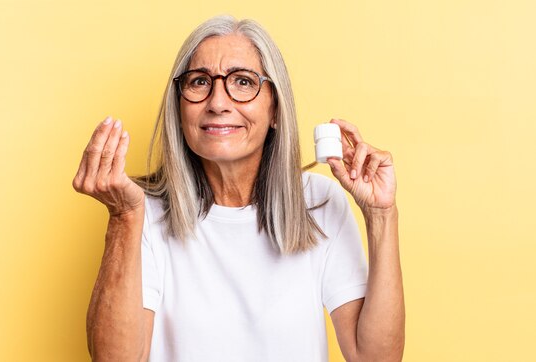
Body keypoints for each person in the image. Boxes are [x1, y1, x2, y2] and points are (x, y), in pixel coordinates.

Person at [73, 15, 404, 362]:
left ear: (275, 108)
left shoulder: (319, 202)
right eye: (200, 82)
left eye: (243, 82)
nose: (218, 102)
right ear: (179, 106)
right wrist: (124, 218)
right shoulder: (144, 211)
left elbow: (375, 358)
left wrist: (382, 216)